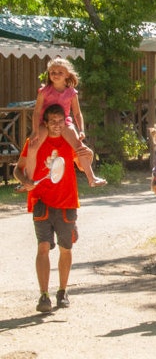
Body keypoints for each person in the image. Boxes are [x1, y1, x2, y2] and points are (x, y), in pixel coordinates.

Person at [16, 103, 83, 313]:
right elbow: (18, 170)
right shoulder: (34, 142)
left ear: (65, 122)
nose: (56, 125)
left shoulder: (70, 141)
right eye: (52, 121)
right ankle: (44, 295)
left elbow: (82, 165)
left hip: (67, 202)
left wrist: (86, 152)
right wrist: (25, 181)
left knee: (66, 248)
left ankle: (62, 291)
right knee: (43, 247)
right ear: (44, 123)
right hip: (41, 202)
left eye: (60, 121)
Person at [22, 57, 105, 190]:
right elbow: (36, 112)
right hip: (45, 123)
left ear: (67, 74)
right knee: (32, 147)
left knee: (80, 147)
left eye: (60, 72)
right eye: (52, 72)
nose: (55, 75)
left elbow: (77, 113)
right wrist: (35, 131)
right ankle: (28, 181)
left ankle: (91, 178)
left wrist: (81, 130)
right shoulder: (44, 91)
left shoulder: (71, 92)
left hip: (64, 123)